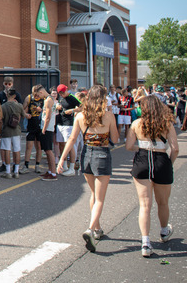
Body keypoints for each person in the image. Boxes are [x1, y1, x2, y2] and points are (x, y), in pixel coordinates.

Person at [57, 85, 120, 253]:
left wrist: (62, 159)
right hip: (102, 153)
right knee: (99, 198)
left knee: (93, 194)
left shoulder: (80, 116)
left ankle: (97, 228)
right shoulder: (108, 116)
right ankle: (91, 229)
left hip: (86, 154)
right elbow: (115, 138)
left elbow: (72, 139)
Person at [126, 95, 178, 257]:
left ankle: (146, 242)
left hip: (142, 161)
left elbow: (128, 146)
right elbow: (175, 148)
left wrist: (142, 147)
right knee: (162, 202)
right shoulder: (167, 124)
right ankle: (163, 231)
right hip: (161, 160)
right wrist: (169, 162)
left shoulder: (136, 124)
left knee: (144, 205)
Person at [56, 83, 82, 176]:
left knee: (70, 145)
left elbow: (82, 107)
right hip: (60, 123)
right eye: (61, 93)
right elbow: (59, 104)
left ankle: (72, 167)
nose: (62, 94)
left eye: (63, 92)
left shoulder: (72, 97)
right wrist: (58, 106)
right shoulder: (61, 98)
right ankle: (65, 166)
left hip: (68, 124)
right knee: (61, 144)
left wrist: (72, 110)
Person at [0, 77, 21, 173]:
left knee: (15, 148)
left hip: (14, 125)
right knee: (4, 148)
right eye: (6, 84)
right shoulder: (0, 95)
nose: (7, 86)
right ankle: (4, 164)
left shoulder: (16, 95)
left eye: (9, 84)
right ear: (3, 84)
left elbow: (21, 109)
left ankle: (15, 165)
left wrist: (16, 121)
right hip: (5, 124)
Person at [0, 88, 24, 179]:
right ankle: (16, 171)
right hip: (16, 130)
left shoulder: (3, 107)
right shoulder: (19, 106)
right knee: (16, 150)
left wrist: (0, 131)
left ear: (7, 95)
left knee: (7, 150)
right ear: (14, 96)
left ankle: (8, 171)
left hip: (6, 131)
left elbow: (1, 120)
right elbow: (24, 115)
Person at [22, 85, 45, 174]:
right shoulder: (29, 98)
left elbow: (48, 111)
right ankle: (26, 165)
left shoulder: (44, 99)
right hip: (31, 125)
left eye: (38, 95)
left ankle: (37, 165)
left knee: (39, 147)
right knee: (29, 146)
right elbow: (22, 110)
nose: (37, 97)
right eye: (35, 95)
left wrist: (41, 110)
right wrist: (25, 115)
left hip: (39, 125)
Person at [38, 86, 58, 181]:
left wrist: (44, 129)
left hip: (48, 128)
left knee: (49, 150)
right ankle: (50, 171)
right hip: (46, 127)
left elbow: (48, 116)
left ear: (41, 92)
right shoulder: (48, 99)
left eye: (39, 94)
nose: (39, 96)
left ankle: (53, 173)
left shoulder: (48, 100)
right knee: (46, 150)